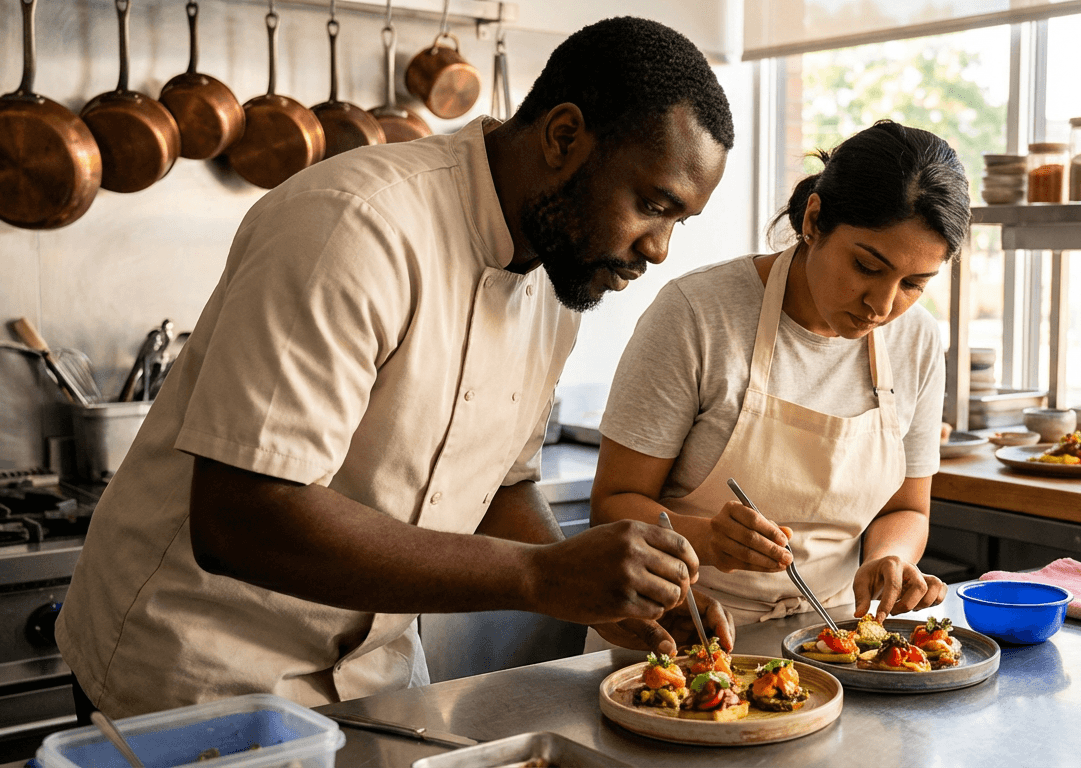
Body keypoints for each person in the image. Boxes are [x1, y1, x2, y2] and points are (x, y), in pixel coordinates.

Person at [55, 16, 736, 719]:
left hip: (373, 679)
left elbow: (504, 485)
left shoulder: (556, 277)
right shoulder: (353, 223)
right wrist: (539, 577)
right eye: (653, 205)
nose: (659, 250)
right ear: (564, 138)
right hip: (193, 676)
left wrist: (600, 600)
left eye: (678, 222)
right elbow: (242, 518)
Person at [589, 121, 971, 631]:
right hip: (682, 632)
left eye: (913, 284)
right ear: (813, 220)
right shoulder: (697, 314)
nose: (881, 305)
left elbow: (907, 509)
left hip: (831, 638)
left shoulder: (917, 340)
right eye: (866, 266)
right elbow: (612, 506)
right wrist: (704, 538)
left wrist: (891, 558)